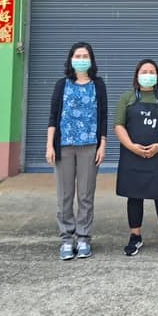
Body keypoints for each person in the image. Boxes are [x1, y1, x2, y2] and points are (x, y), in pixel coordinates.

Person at [46, 41, 108, 260]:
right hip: (64, 146)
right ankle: (66, 238)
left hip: (90, 146)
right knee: (64, 194)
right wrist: (49, 144)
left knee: (85, 194)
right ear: (70, 59)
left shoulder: (98, 85)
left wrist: (103, 143)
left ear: (91, 60)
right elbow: (53, 116)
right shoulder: (61, 85)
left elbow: (103, 116)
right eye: (77, 56)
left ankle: (83, 238)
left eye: (85, 56)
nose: (81, 60)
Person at [113, 58, 158, 257]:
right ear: (137, 75)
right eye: (144, 71)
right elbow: (118, 125)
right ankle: (135, 236)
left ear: (157, 76)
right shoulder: (127, 98)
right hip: (131, 155)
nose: (148, 74)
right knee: (134, 196)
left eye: (152, 71)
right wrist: (132, 146)